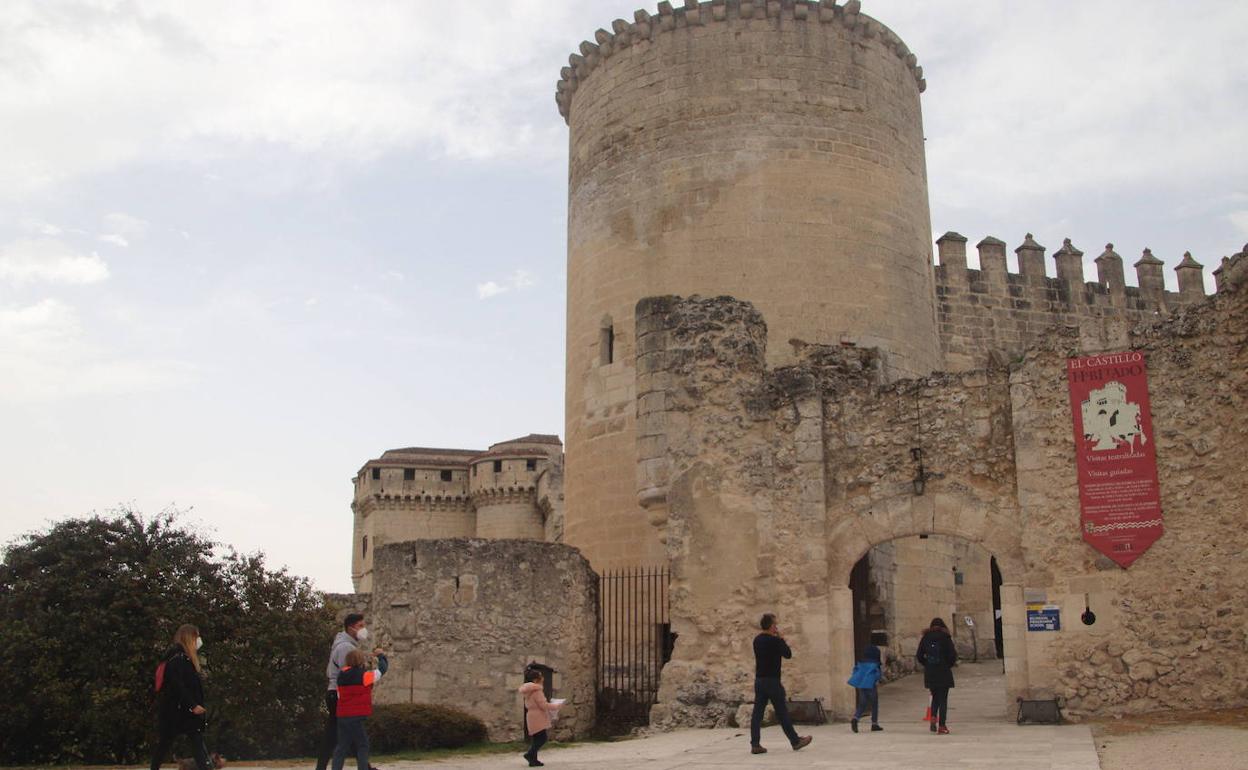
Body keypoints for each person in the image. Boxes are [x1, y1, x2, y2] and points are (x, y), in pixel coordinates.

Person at [150, 624, 213, 770]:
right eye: (197, 636)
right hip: (178, 710)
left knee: (193, 742)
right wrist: (192, 705)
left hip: (180, 710)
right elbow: (177, 686)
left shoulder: (182, 658)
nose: (199, 640)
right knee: (167, 743)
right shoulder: (178, 659)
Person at [749, 613, 813, 754]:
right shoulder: (775, 641)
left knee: (757, 713)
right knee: (782, 712)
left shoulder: (757, 640)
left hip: (759, 680)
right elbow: (788, 654)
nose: (776, 627)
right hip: (772, 681)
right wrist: (781, 638)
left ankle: (755, 744)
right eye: (775, 625)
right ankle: (795, 741)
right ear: (771, 626)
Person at [316, 613, 373, 770]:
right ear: (351, 628)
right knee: (338, 735)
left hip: (336, 693)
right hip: (338, 695)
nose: (364, 629)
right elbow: (348, 675)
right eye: (360, 626)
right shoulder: (346, 647)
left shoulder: (346, 645)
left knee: (348, 734)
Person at [332, 648, 388, 770]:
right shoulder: (364, 676)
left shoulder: (341, 676)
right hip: (356, 716)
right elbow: (382, 669)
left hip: (342, 715)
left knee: (341, 746)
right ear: (360, 661)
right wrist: (381, 656)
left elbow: (339, 695)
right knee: (362, 745)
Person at [916, 617, 958, 735]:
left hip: (931, 672)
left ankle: (933, 718)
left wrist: (927, 664)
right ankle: (942, 725)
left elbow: (919, 655)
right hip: (943, 671)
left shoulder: (925, 638)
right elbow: (952, 655)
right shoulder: (946, 637)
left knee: (934, 696)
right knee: (943, 699)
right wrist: (947, 665)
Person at [518, 667, 560, 767]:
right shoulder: (537, 691)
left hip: (531, 715)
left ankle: (533, 760)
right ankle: (530, 754)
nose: (543, 678)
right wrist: (556, 706)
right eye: (541, 677)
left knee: (536, 738)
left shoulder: (528, 691)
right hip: (538, 716)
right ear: (536, 679)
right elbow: (543, 705)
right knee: (542, 738)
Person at [847, 643, 884, 733]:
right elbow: (878, 675)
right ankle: (874, 724)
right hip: (871, 685)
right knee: (874, 704)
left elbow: (855, 670)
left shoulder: (861, 663)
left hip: (861, 685)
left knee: (862, 704)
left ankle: (856, 718)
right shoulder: (875, 664)